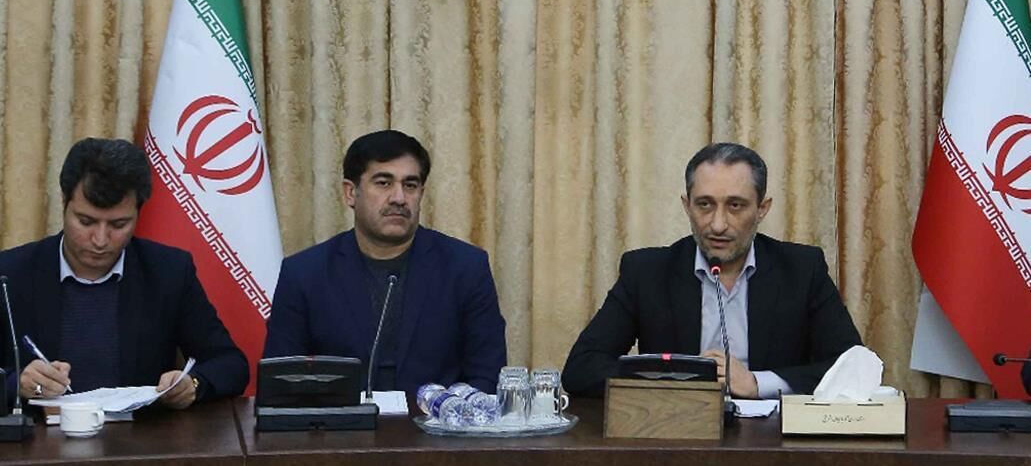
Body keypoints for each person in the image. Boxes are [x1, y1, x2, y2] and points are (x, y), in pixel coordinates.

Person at [562, 142, 862, 399]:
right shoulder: (647, 272)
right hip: (678, 434)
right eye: (705, 205)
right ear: (687, 206)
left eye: (735, 206)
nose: (718, 225)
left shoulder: (802, 269)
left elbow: (853, 367)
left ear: (762, 209)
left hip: (773, 438)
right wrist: (678, 378)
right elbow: (581, 368)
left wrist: (757, 383)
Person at [0, 138, 248, 407]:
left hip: (139, 433)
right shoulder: (10, 274)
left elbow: (230, 364)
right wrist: (16, 383)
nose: (100, 240)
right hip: (42, 433)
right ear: (64, 202)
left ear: (139, 212)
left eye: (118, 224)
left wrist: (193, 384)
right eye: (86, 221)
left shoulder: (168, 272)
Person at [264, 129, 507, 394]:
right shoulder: (304, 273)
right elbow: (281, 381)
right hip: (341, 419)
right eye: (383, 183)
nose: (399, 198)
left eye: (410, 185)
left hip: (436, 418)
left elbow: (487, 376)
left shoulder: (465, 267)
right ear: (350, 193)